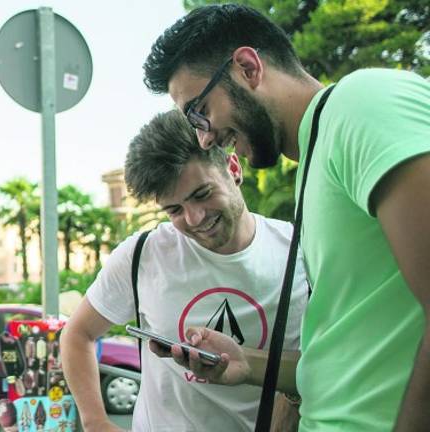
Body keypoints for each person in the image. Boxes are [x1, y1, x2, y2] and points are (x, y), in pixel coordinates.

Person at [143, 4, 430, 431]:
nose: (204, 136)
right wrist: (249, 363)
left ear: (247, 67)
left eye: (199, 111)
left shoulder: (364, 103)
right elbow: (353, 357)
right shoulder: (315, 164)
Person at [60, 109, 308, 431]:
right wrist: (96, 422)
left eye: (202, 194)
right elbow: (77, 334)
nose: (194, 218)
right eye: (174, 210)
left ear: (233, 168)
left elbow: (322, 366)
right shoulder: (143, 255)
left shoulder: (299, 252)